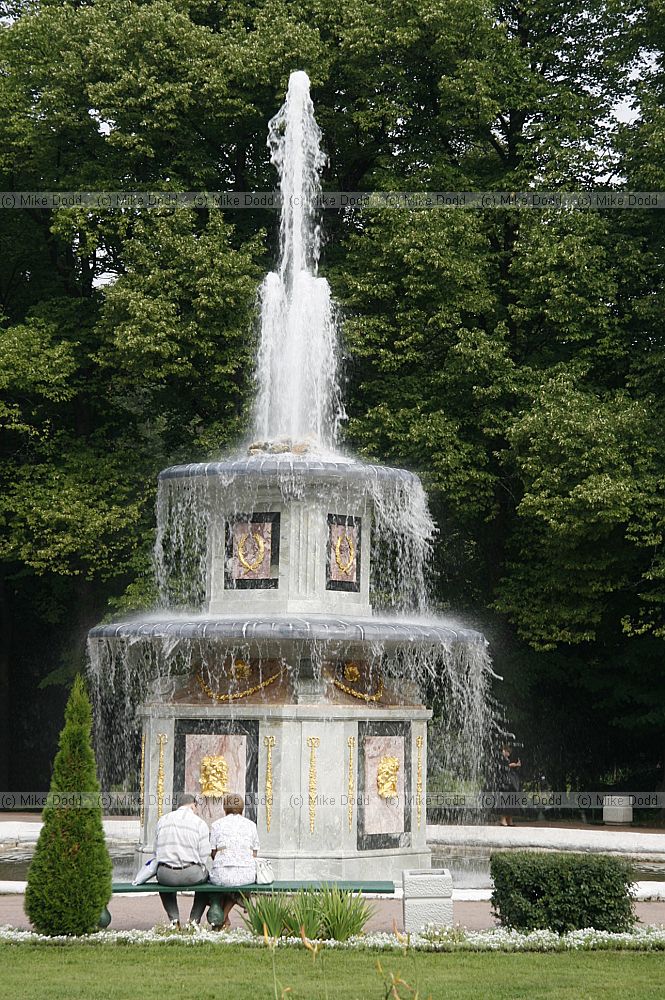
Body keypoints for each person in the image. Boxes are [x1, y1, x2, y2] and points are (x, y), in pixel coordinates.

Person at [154, 792, 210, 926]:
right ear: (193, 805)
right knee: (207, 881)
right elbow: (204, 854)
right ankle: (194, 920)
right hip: (191, 874)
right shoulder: (200, 823)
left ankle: (174, 919)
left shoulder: (163, 820)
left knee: (163, 881)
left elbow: (156, 851)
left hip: (166, 875)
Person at [209, 792, 259, 929]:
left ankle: (222, 919)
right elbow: (254, 853)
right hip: (246, 876)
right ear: (242, 809)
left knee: (223, 880)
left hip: (222, 875)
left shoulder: (216, 824)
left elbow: (213, 852)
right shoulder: (251, 825)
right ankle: (238, 904)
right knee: (236, 884)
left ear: (225, 808)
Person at [498, 744, 521, 827]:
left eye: (508, 752)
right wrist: (513, 765)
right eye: (506, 751)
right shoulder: (500, 759)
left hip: (510, 782)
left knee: (512, 798)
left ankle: (509, 818)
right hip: (505, 782)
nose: (508, 754)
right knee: (506, 799)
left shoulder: (506, 759)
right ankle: (503, 818)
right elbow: (502, 768)